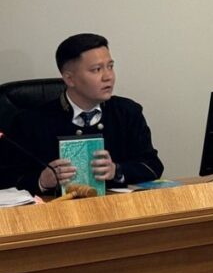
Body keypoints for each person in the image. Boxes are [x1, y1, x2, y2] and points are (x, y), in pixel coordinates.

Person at [2, 33, 163, 194]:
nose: (108, 77)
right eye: (97, 69)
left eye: (110, 66)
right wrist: (42, 181)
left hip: (115, 206)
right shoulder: (31, 122)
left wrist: (117, 170)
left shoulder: (127, 112)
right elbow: (6, 178)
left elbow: (153, 166)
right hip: (57, 208)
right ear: (69, 79)